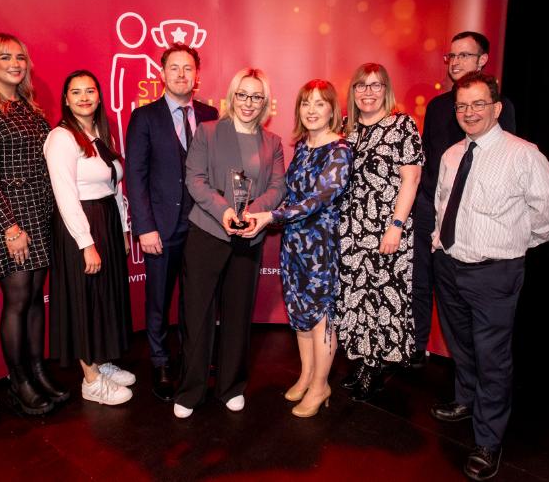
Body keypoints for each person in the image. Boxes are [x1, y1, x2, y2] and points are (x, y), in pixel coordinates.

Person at [430, 72, 549, 481]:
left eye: (478, 104)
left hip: (495, 273)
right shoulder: (452, 154)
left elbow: (548, 215)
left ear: (496, 107)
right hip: (449, 266)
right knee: (461, 344)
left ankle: (488, 439)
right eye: (462, 106)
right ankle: (465, 398)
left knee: (492, 357)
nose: (469, 112)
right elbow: (440, 206)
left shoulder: (523, 154)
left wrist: (511, 246)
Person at [0, 33, 66, 415]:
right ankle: (18, 380)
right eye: (5, 57)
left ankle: (38, 371)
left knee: (37, 297)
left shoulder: (29, 107)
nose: (15, 63)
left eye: (20, 57)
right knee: (18, 300)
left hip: (39, 211)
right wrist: (10, 228)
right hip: (10, 219)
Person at [173, 67, 286, 418]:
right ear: (231, 96)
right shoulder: (207, 132)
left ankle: (231, 385)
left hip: (248, 238)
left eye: (256, 96)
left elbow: (278, 188)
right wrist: (224, 212)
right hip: (208, 231)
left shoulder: (273, 142)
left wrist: (253, 214)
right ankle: (190, 390)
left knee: (237, 315)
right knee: (197, 313)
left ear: (265, 102)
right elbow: (195, 179)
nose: (249, 103)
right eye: (242, 94)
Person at [245, 79, 352, 418]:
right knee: (301, 316)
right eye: (306, 103)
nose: (312, 110)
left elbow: (318, 200)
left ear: (332, 110)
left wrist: (270, 216)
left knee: (321, 318)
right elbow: (290, 194)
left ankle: (322, 385)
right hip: (294, 243)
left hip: (321, 245)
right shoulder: (304, 146)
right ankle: (307, 376)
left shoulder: (340, 150)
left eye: (320, 103)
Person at [411, 31, 516, 367]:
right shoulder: (438, 106)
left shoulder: (501, 108)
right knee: (421, 284)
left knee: (465, 304)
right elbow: (427, 156)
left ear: (483, 60)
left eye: (464, 56)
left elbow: (504, 162)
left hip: (473, 220)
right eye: (451, 56)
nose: (455, 62)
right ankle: (414, 351)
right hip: (431, 207)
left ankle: (471, 379)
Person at [125, 43, 219, 401]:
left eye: (188, 68)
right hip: (161, 228)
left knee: (197, 299)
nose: (182, 74)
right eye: (174, 68)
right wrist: (144, 226)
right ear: (162, 74)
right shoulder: (145, 117)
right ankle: (161, 361)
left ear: (197, 75)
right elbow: (135, 175)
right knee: (159, 300)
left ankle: (193, 358)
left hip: (204, 226)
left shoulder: (210, 115)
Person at [45, 70, 135, 405]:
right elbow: (65, 194)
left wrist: (123, 230)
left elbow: (114, 187)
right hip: (79, 225)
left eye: (90, 91)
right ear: (66, 99)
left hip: (106, 220)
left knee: (101, 296)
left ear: (99, 96)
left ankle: (100, 361)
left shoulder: (100, 134)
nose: (84, 97)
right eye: (76, 92)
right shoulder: (61, 138)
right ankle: (90, 379)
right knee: (83, 298)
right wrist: (86, 243)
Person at [337, 63, 423, 401]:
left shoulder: (401, 125)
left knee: (382, 296)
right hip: (352, 229)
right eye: (361, 86)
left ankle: (375, 365)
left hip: (387, 228)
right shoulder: (348, 131)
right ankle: (360, 360)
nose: (368, 92)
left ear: (385, 89)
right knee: (356, 296)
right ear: (353, 91)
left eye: (375, 85)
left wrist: (396, 226)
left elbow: (411, 180)